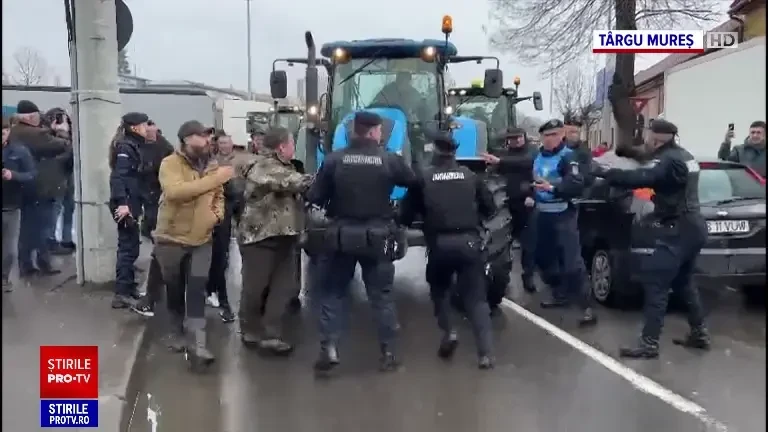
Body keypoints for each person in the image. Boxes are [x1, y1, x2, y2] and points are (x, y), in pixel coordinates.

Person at [307, 111, 415, 374]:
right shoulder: (389, 159)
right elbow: (415, 182)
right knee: (382, 297)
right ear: (374, 132)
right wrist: (402, 215)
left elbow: (315, 196)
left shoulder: (334, 160)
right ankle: (388, 353)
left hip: (341, 236)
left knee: (333, 294)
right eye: (380, 130)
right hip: (378, 236)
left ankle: (329, 348)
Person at [593, 119, 710, 359]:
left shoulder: (668, 160)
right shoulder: (684, 155)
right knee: (684, 282)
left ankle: (649, 343)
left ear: (655, 138)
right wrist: (628, 152)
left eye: (648, 134)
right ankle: (699, 333)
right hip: (694, 226)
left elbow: (644, 176)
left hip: (677, 229)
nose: (645, 138)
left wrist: (606, 173)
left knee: (656, 284)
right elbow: (652, 160)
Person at [400, 132, 496, 369]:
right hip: (469, 243)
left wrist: (418, 220)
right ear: (454, 152)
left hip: (439, 244)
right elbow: (490, 208)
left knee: (439, 290)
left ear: (434, 150)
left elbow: (406, 215)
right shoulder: (470, 176)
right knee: (476, 298)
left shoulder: (423, 177)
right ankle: (485, 354)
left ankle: (449, 331)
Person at [153, 120, 232, 369]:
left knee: (197, 289)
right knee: (174, 288)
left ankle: (198, 343)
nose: (208, 140)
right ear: (187, 139)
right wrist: (215, 179)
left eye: (209, 136)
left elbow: (219, 195)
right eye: (202, 136)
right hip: (171, 239)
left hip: (202, 239)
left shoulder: (212, 165)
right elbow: (175, 193)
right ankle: (176, 331)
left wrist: (216, 215)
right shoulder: (170, 163)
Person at [237, 127, 312, 354]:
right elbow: (293, 182)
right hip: (259, 238)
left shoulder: (287, 166)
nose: (293, 148)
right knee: (255, 287)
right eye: (292, 143)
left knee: (283, 287)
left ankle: (271, 334)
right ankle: (250, 330)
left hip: (285, 237)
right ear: (281, 146)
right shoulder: (263, 166)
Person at [533, 119, 597, 325]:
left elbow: (575, 184)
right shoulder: (537, 156)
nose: (549, 139)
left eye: (554, 135)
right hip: (542, 214)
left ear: (562, 135)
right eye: (546, 135)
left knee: (572, 262)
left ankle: (587, 307)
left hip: (563, 214)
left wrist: (552, 188)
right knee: (544, 259)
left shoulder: (568, 157)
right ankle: (559, 293)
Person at [9, 100, 69, 276]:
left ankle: (26, 264)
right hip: (40, 187)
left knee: (26, 228)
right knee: (43, 227)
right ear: (30, 117)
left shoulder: (14, 131)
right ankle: (43, 263)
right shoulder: (35, 134)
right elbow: (61, 146)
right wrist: (62, 131)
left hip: (22, 186)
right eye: (37, 115)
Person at [482, 127, 538, 293]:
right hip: (505, 204)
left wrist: (531, 195)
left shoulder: (531, 153)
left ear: (524, 137)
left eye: (519, 137)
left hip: (525, 203)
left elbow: (527, 164)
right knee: (501, 242)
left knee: (529, 243)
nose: (516, 140)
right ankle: (500, 274)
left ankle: (528, 275)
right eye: (512, 138)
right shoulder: (504, 155)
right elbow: (493, 173)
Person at [109, 112, 150, 308]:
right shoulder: (125, 147)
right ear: (134, 127)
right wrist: (122, 203)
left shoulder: (133, 144)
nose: (146, 128)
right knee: (127, 249)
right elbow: (119, 177)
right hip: (126, 204)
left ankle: (128, 286)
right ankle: (121, 293)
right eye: (144, 125)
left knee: (131, 247)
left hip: (131, 201)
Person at [205, 131, 242, 323]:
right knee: (217, 254)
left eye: (227, 143)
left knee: (221, 254)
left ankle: (219, 295)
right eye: (221, 143)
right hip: (218, 207)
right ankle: (214, 293)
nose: (224, 146)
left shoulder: (240, 159)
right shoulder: (212, 162)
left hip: (233, 205)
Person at [3, 116, 37, 292]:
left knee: (9, 249)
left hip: (11, 205)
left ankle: (4, 278)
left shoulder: (20, 151)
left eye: (4, 131)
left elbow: (32, 174)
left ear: (9, 131)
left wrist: (13, 175)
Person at [44, 108, 76, 255]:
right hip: (56, 176)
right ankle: (51, 241)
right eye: (57, 119)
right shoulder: (46, 136)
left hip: (69, 174)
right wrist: (60, 133)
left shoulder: (71, 136)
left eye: (63, 119)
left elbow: (72, 153)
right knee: (55, 209)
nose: (61, 122)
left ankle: (67, 239)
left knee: (69, 207)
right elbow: (57, 156)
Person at [139, 120, 174, 240]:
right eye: (147, 132)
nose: (149, 135)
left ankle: (152, 232)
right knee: (150, 212)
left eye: (151, 132)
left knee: (155, 213)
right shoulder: (139, 145)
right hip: (144, 183)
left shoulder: (165, 146)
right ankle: (148, 230)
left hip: (159, 184)